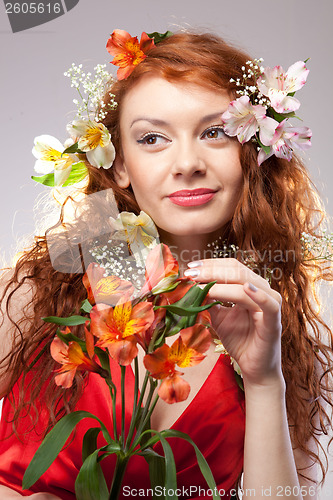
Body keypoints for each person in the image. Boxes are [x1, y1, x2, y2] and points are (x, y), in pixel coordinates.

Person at [0, 30, 332, 499]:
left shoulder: (282, 333)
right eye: (152, 138)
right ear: (118, 165)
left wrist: (262, 382)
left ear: (253, 152)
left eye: (214, 132)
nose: (187, 163)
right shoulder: (39, 292)